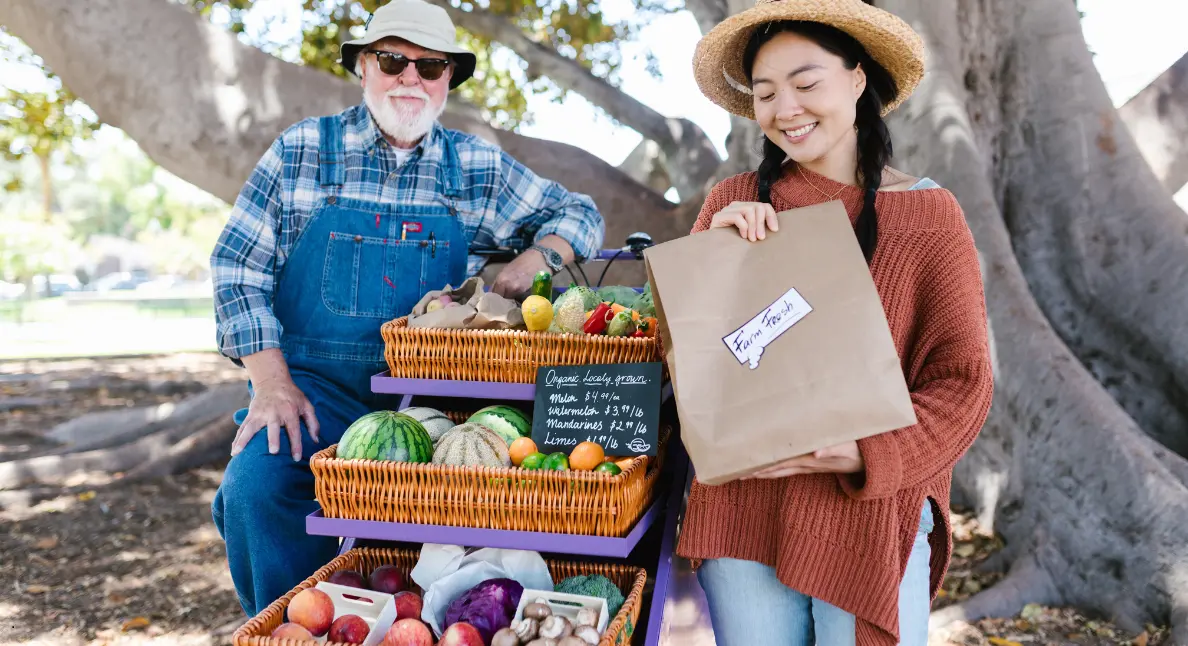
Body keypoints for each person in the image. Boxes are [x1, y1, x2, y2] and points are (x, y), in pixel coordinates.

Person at [208, 0, 604, 617]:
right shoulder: (302, 152)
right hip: (314, 394)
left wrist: (539, 259)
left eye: (431, 66)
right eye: (393, 60)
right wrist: (272, 385)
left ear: (449, 78)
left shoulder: (473, 167)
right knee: (255, 491)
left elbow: (579, 212)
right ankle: (288, 625)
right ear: (364, 67)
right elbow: (237, 267)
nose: (411, 78)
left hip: (433, 411)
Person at [677, 1, 994, 645]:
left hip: (869, 517)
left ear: (857, 78)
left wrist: (869, 453)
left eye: (806, 82)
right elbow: (682, 360)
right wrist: (710, 255)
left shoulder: (927, 218)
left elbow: (963, 381)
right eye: (764, 93)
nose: (784, 108)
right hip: (744, 513)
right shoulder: (733, 203)